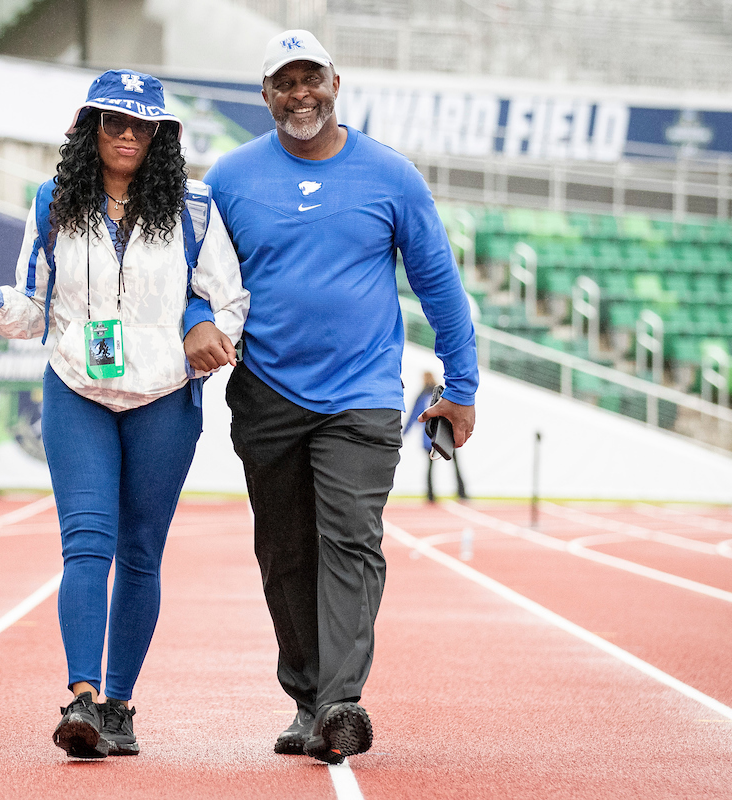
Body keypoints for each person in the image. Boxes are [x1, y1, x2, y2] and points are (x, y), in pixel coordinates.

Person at [0, 70, 248, 760]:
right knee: (85, 543)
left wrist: (206, 330)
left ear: (160, 135)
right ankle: (83, 699)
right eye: (113, 121)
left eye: (140, 125)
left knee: (142, 554)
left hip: (164, 399)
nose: (126, 135)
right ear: (90, 127)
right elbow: (36, 308)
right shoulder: (54, 201)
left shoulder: (195, 206)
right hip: (77, 392)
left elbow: (228, 297)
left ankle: (120, 706)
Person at [185, 30, 478, 764]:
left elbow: (438, 283)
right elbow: (194, 281)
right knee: (285, 553)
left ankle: (341, 702)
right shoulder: (230, 179)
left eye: (310, 78)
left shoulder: (391, 175)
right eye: (284, 83)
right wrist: (195, 324)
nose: (299, 94)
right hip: (267, 392)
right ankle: (307, 698)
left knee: (350, 541)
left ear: (335, 83)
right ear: (265, 96)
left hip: (361, 398)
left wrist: (462, 385)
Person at [405, 371, 468, 503]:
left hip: (429, 437)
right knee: (454, 464)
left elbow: (414, 416)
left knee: (430, 467)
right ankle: (462, 492)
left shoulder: (422, 395)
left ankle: (430, 495)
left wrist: (404, 433)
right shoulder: (441, 394)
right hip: (445, 434)